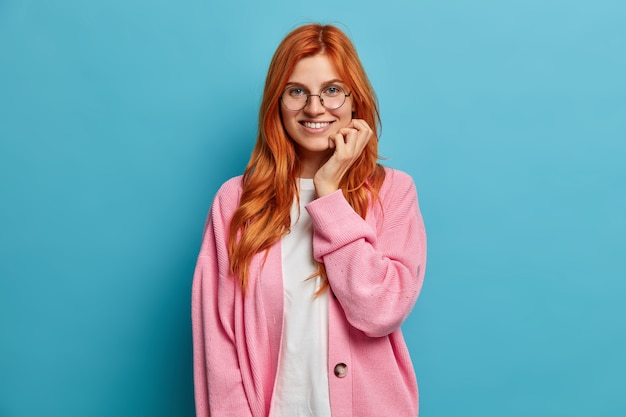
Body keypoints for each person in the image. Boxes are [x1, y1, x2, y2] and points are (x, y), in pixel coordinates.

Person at [191, 23, 427, 417]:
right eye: (297, 91)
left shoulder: (393, 192)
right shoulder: (236, 202)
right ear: (277, 101)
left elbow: (381, 311)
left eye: (332, 90)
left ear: (356, 101)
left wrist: (330, 192)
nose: (315, 108)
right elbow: (219, 341)